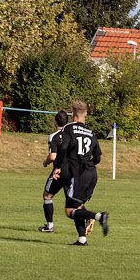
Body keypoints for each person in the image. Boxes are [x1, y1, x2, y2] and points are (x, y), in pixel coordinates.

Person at [56, 101, 109, 246]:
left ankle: (98, 216)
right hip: (91, 174)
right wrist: (88, 164)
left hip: (77, 174)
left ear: (72, 113)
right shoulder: (91, 132)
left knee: (69, 211)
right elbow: (98, 157)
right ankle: (82, 239)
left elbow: (62, 148)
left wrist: (57, 167)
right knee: (78, 207)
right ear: (85, 114)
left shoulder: (69, 128)